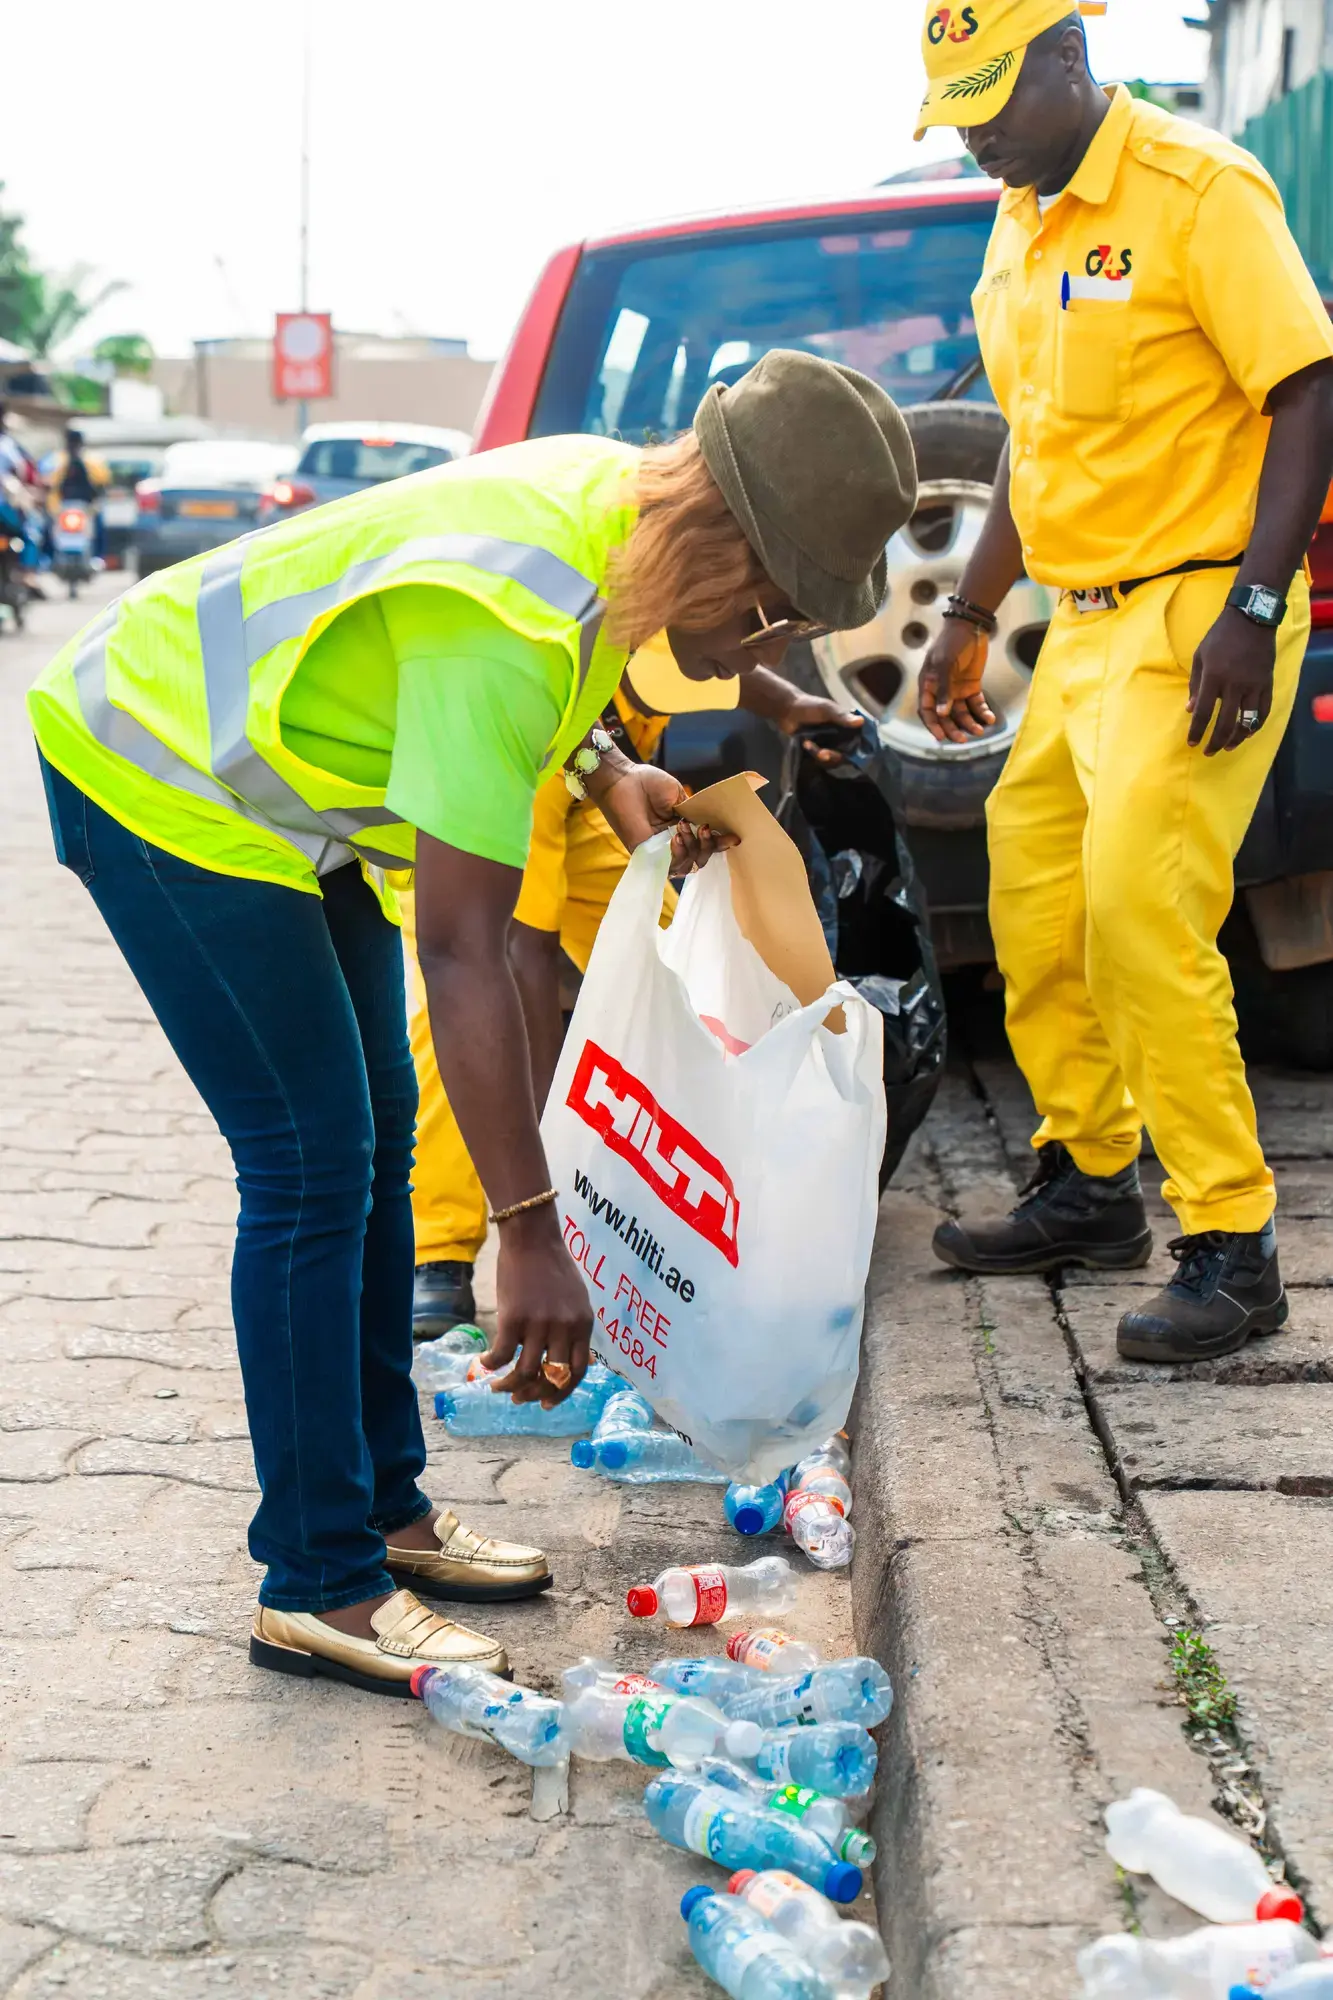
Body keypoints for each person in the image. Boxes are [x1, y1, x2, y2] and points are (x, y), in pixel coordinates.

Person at [29, 350, 917, 1694]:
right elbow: (468, 947)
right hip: (159, 767)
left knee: (370, 1140)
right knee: (309, 1164)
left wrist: (606, 767)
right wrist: (528, 1230)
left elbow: (539, 701)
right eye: (773, 610)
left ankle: (383, 1511)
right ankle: (321, 1581)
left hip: (275, 800)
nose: (763, 649)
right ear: (722, 547)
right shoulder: (509, 610)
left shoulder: (611, 512)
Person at [913, 1, 1333, 1362]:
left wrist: (1256, 603)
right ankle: (1089, 1187)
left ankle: (1232, 1243)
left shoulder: (1196, 190)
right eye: (954, 111)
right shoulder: (1020, 217)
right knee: (1036, 903)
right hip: (1082, 625)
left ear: (1068, 58)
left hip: (1202, 611)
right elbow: (1036, 445)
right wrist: (970, 612)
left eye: (990, 99)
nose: (975, 135)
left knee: (1142, 909)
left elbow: (1309, 387)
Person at [407, 636, 861, 1337]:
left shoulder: (658, 632)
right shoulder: (546, 677)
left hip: (589, 781)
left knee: (679, 969)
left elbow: (724, 667)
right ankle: (437, 1251)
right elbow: (516, 952)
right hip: (507, 789)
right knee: (467, 1022)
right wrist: (544, 1182)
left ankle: (709, 1199)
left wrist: (793, 704)